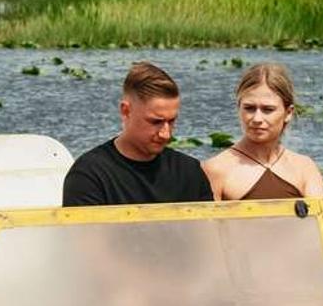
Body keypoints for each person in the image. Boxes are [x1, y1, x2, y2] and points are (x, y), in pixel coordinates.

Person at [62, 61, 212, 207]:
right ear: (126, 111)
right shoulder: (90, 175)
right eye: (155, 122)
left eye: (171, 121)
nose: (166, 134)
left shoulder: (189, 172)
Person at [203, 63, 323, 201]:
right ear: (239, 109)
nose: (257, 119)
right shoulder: (216, 169)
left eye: (268, 109)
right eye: (249, 108)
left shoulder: (305, 168)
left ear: (288, 113)